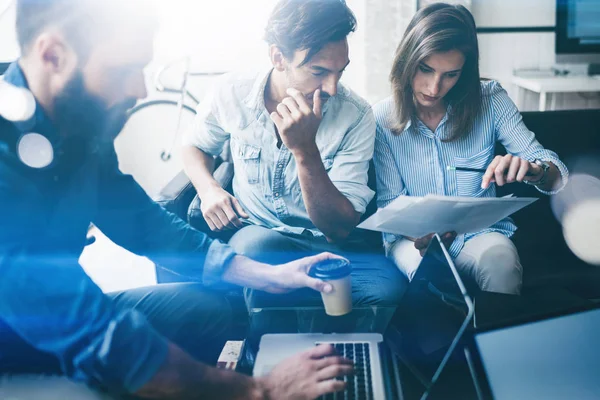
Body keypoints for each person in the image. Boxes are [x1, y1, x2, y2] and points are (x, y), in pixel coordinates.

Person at [0, 0, 355, 399]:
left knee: (213, 312)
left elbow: (139, 220)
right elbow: (92, 333)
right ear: (53, 55)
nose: (139, 88)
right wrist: (260, 390)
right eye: (123, 70)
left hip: (61, 314)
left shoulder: (78, 123)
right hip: (15, 342)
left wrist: (266, 275)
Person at [182, 0, 406, 308]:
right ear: (278, 57)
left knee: (386, 290)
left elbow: (338, 229)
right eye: (318, 71)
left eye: (340, 71)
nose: (332, 87)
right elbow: (194, 145)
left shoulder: (355, 115)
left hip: (328, 245)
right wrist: (209, 190)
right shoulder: (231, 92)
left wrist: (305, 151)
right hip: (258, 235)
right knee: (261, 250)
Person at [373, 3, 568, 295]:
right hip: (413, 241)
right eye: (425, 69)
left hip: (479, 235)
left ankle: (497, 341)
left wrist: (534, 171)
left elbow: (557, 178)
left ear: (464, 72)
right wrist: (418, 234)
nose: (434, 87)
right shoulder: (382, 118)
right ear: (407, 60)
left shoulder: (490, 100)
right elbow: (390, 204)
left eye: (450, 74)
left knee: (501, 262)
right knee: (423, 271)